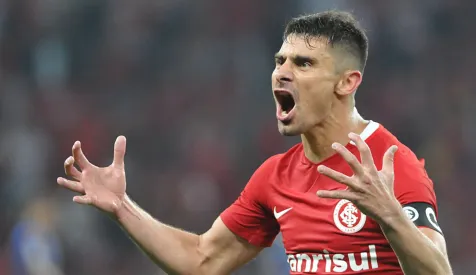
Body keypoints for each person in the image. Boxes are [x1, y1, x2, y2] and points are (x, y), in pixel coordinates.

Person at [57, 10, 453, 275]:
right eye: (280, 60)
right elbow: (202, 259)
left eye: (303, 63)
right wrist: (122, 208)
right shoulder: (275, 177)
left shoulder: (390, 162)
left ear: (347, 82)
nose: (282, 72)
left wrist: (390, 214)